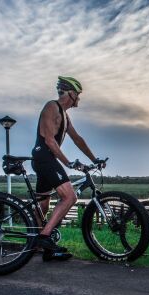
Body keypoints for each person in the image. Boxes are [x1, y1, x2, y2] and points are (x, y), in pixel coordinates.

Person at [31, 76, 100, 261]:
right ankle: (45, 238)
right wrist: (68, 162)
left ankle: (39, 246)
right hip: (44, 157)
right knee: (70, 197)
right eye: (77, 94)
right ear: (70, 92)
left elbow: (77, 139)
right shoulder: (51, 107)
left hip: (46, 159)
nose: (79, 98)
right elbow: (49, 140)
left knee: (43, 205)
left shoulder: (65, 115)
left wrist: (95, 159)